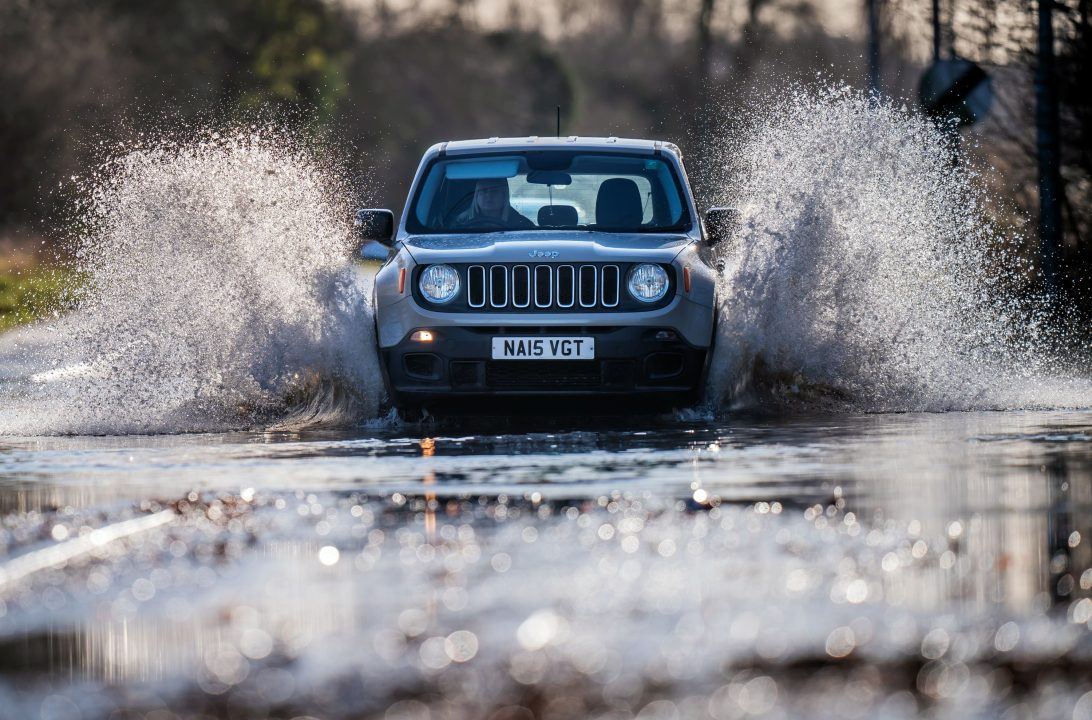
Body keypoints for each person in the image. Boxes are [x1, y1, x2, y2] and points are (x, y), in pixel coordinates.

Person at [454, 178, 535, 230]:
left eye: (494, 191)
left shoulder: (523, 226)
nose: (488, 196)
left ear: (504, 196)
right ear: (476, 196)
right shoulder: (460, 222)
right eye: (483, 191)